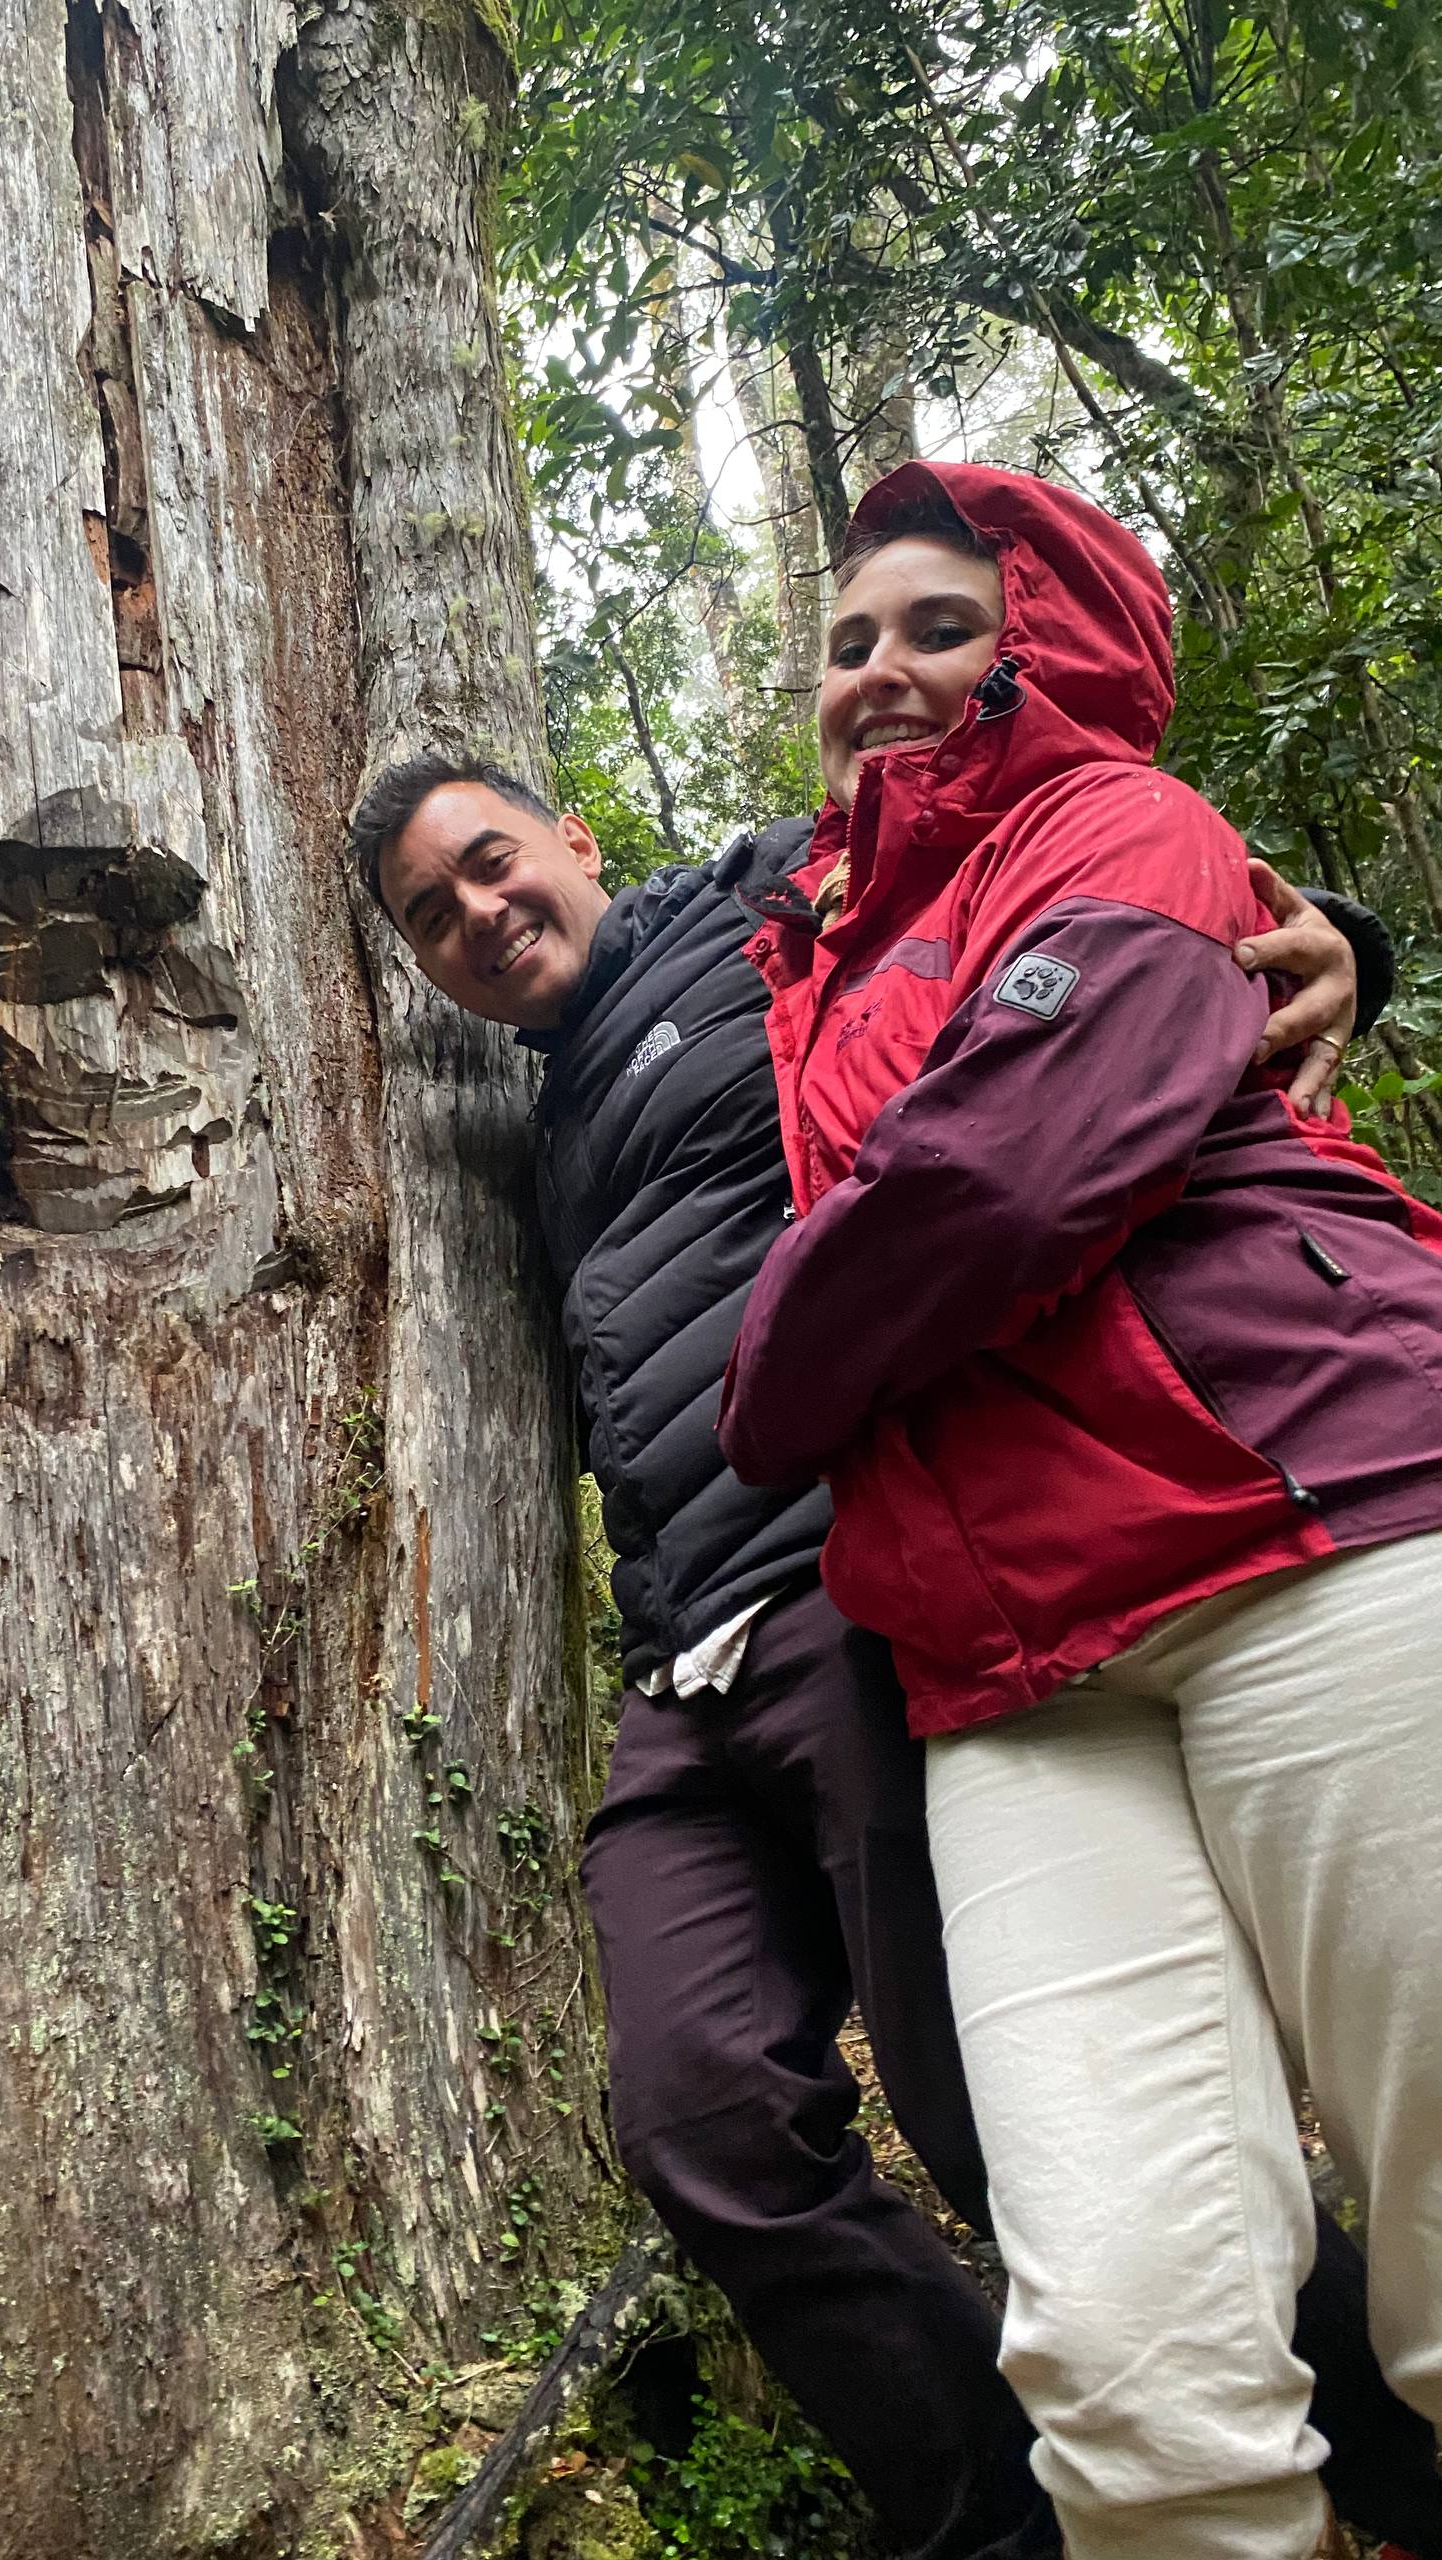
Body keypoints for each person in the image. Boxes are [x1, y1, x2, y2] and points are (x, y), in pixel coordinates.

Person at [347, 748, 1442, 2560]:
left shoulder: (775, 907)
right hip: (680, 1663)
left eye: (490, 861)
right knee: (700, 2116)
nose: (476, 913)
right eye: (429, 915)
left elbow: (1050, 891)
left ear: (575, 840)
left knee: (1004, 2116)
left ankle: (1376, 2480)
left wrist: (1333, 930)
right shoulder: (532, 1133)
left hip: (858, 1593)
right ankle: (1003, 2522)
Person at [718, 458, 1442, 2560]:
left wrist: (779, 1374)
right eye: (849, 640)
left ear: (1050, 642)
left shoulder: (1124, 821)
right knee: (1125, 2367)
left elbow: (1012, 1166)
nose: (885, 669)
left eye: (942, 624)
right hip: (1009, 1665)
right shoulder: (806, 951)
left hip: (1315, 1518)